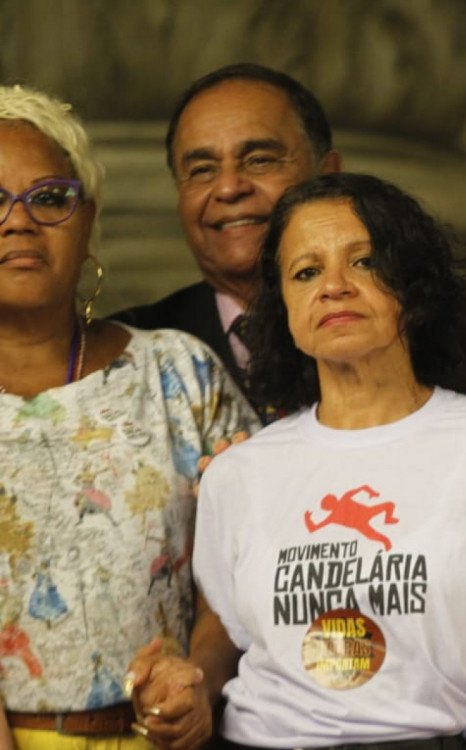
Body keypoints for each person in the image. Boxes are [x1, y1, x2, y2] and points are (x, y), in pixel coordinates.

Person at [126, 173, 466, 750]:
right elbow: (223, 642)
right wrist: (184, 684)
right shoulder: (239, 476)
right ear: (285, 308)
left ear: (414, 288)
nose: (334, 287)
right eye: (306, 272)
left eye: (364, 262)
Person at [0, 85, 258, 747]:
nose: (19, 221)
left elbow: (254, 561)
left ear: (87, 223)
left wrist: (198, 677)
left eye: (49, 197)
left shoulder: (178, 373)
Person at [112, 63, 342, 407]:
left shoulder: (412, 325)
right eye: (202, 170)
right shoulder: (127, 351)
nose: (230, 188)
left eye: (259, 160)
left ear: (329, 176)